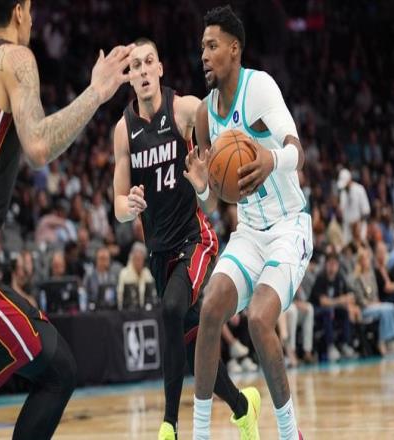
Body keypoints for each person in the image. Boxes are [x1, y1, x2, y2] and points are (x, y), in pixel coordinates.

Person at [0, 0, 133, 438]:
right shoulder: (15, 57)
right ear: (19, 11)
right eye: (31, 10)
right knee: (59, 371)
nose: (33, 19)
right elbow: (38, 147)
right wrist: (97, 91)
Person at [113, 37, 256, 440]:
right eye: (135, 66)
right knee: (195, 350)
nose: (143, 70)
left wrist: (209, 176)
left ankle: (169, 424)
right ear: (129, 77)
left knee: (172, 309)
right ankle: (244, 408)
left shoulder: (185, 110)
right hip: (159, 252)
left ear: (160, 69)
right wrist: (130, 205)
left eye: (149, 62)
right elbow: (117, 205)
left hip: (195, 240)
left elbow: (225, 115)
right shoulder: (123, 131)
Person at [183, 6, 313, 439]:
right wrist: (202, 187)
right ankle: (201, 433)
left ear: (234, 49)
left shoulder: (259, 88)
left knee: (259, 318)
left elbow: (297, 151)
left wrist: (270, 159)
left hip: (289, 227)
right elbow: (215, 201)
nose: (204, 55)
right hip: (250, 232)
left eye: (212, 46)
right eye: (202, 47)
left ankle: (289, 433)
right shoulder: (205, 114)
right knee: (209, 310)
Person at [351, 246, 394, 356]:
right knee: (385, 310)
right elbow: (360, 300)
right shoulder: (357, 278)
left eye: (368, 259)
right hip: (364, 309)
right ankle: (382, 341)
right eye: (365, 259)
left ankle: (391, 340)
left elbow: (375, 294)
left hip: (374, 305)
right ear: (361, 261)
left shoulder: (371, 275)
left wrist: (376, 303)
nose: (367, 261)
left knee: (391, 307)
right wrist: (373, 304)